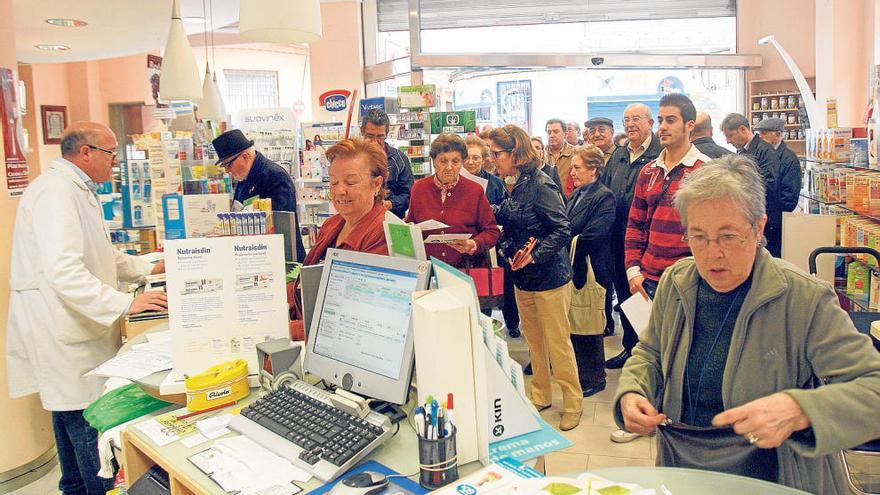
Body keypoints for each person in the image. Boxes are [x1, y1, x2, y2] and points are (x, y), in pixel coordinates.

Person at [614, 155, 880, 494]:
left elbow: (874, 389)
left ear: (758, 228)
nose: (712, 254)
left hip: (775, 479)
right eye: (698, 237)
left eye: (728, 236)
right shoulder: (676, 282)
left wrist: (801, 411)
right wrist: (632, 392)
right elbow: (650, 352)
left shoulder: (804, 299)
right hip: (685, 470)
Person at [7, 122, 168, 495]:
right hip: (62, 329)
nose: (115, 162)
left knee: (68, 414)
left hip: (71, 326)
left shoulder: (77, 190)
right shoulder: (56, 193)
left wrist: (146, 266)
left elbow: (99, 253)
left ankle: (74, 488)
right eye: (111, 154)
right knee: (83, 417)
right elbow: (64, 271)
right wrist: (128, 303)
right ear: (86, 153)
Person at [615, 94, 711, 443]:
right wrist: (632, 270)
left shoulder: (704, 172)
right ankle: (644, 418)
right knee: (648, 352)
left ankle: (679, 422)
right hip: (648, 279)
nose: (664, 126)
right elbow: (635, 225)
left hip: (688, 280)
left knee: (684, 352)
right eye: (661, 120)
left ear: (689, 125)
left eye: (671, 120)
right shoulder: (649, 172)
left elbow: (707, 232)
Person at [488, 124, 583, 431]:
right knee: (534, 342)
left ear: (515, 153)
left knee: (558, 343)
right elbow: (509, 223)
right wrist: (506, 248)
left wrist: (535, 253)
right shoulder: (510, 183)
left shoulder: (541, 184)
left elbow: (562, 229)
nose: (492, 159)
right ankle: (541, 394)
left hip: (550, 278)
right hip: (523, 277)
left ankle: (573, 401)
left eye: (496, 154)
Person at [601, 104, 660, 358]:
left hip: (648, 241)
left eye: (636, 119)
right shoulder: (619, 154)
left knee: (647, 297)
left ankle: (650, 353)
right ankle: (630, 347)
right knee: (624, 294)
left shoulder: (660, 154)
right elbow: (605, 192)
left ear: (650, 123)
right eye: (626, 120)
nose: (630, 124)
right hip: (618, 239)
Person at [406, 133, 500, 269]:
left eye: (455, 161)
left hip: (467, 269)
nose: (449, 167)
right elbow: (411, 223)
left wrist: (474, 244)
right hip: (430, 268)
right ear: (433, 161)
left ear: (462, 162)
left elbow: (492, 231)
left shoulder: (475, 190)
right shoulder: (419, 188)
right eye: (443, 161)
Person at [566, 145, 615, 398]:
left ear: (593, 169)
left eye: (577, 167)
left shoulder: (604, 196)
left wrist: (566, 238)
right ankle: (582, 372)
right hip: (576, 267)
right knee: (577, 321)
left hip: (593, 267)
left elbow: (595, 234)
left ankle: (596, 377)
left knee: (591, 324)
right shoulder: (577, 194)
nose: (571, 172)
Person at [213, 129, 306, 261]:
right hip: (253, 254)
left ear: (245, 156)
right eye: (224, 166)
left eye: (228, 164)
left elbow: (282, 225)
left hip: (279, 257)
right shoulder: (243, 177)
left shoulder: (275, 176)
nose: (227, 170)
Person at [721, 113, 783, 257]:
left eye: (730, 136)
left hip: (765, 219)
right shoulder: (742, 151)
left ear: (742, 129)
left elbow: (769, 184)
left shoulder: (765, 151)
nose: (728, 141)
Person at [360, 108, 415, 219]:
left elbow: (409, 196)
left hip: (391, 221)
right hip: (360, 220)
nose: (375, 142)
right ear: (362, 132)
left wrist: (389, 204)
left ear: (387, 134)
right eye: (370, 136)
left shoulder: (399, 159)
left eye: (380, 136)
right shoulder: (353, 159)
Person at [754, 117, 802, 222]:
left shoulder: (789, 159)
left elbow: (789, 198)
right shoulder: (761, 154)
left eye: (764, 133)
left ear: (778, 134)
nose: (760, 137)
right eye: (759, 133)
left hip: (775, 221)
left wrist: (773, 216)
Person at [464, 135, 505, 207]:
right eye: (466, 158)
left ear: (483, 160)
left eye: (475, 158)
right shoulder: (452, 181)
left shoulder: (496, 183)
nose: (470, 162)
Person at [544, 118, 576, 196]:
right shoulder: (540, 154)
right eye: (549, 132)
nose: (551, 135)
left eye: (556, 132)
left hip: (568, 201)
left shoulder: (576, 153)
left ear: (565, 134)